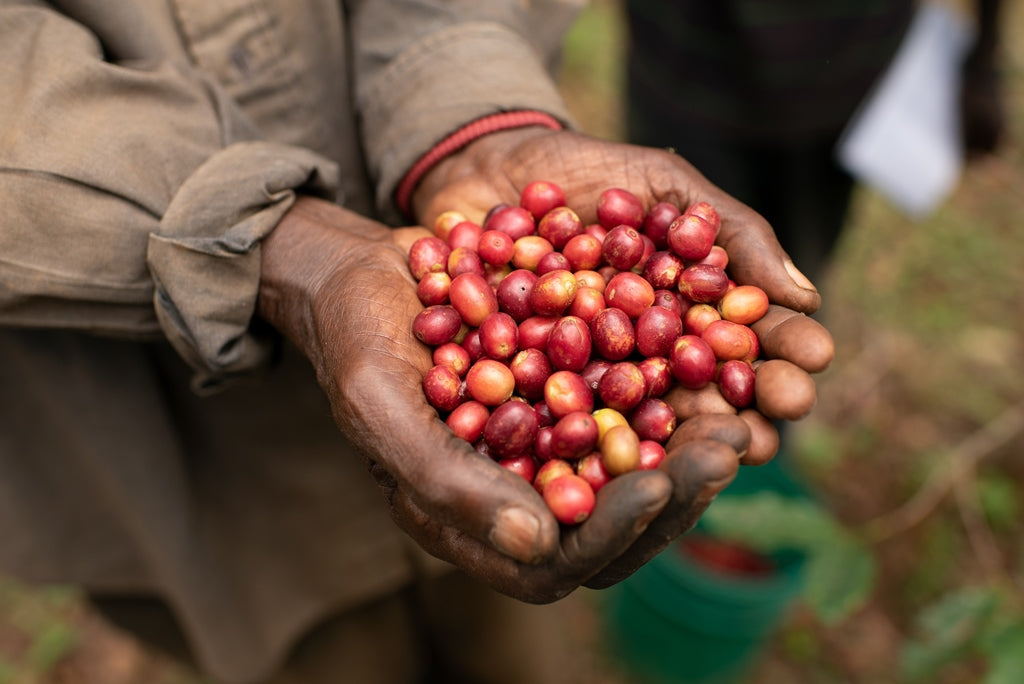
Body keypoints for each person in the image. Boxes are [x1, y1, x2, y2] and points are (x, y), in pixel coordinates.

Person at [0, 2, 834, 683]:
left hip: (418, 259)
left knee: (508, 613)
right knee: (293, 642)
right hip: (161, 428)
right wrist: (270, 242)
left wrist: (463, 108)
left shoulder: (566, 317)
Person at [623, 0, 1006, 287]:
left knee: (799, 263)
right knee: (661, 251)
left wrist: (984, 59)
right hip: (684, 69)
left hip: (838, 86)